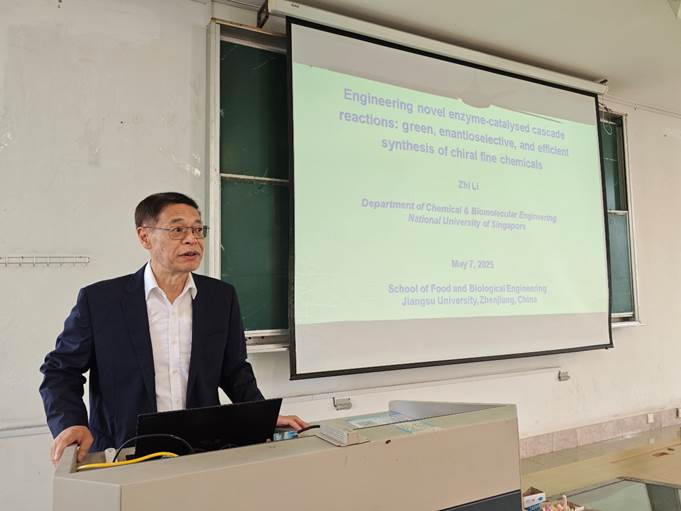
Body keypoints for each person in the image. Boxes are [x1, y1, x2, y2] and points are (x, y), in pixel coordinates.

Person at [40, 192, 306, 465]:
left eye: (197, 230)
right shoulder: (101, 301)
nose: (192, 239)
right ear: (145, 237)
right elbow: (61, 370)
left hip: (201, 450)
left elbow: (234, 370)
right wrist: (70, 422)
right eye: (178, 230)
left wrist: (262, 417)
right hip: (123, 452)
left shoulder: (220, 297)